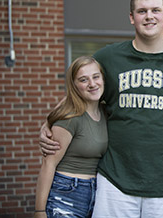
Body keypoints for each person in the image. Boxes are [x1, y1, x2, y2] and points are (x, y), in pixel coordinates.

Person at [39, 0, 163, 217]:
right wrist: (50, 122)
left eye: (156, 10)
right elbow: (79, 91)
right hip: (115, 182)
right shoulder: (108, 57)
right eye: (142, 11)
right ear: (131, 17)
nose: (149, 16)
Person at [34, 56, 107, 218]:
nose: (92, 84)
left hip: (97, 195)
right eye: (83, 80)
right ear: (74, 85)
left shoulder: (105, 111)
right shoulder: (70, 117)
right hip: (66, 193)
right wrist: (39, 211)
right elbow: (48, 163)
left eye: (96, 77)